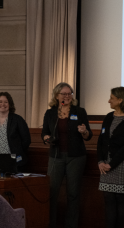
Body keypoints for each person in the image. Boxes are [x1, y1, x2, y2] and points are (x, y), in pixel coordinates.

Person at [41, 82, 93, 228]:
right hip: (56, 156)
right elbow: (44, 132)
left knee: (73, 194)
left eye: (69, 93)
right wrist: (46, 138)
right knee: (52, 192)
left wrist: (84, 131)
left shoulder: (80, 111)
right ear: (57, 96)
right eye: (64, 93)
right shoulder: (50, 113)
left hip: (76, 157)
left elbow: (89, 135)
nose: (67, 96)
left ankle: (71, 225)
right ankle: (50, 224)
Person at [97, 87, 124, 228]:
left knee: (120, 200)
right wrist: (101, 161)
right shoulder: (109, 117)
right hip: (106, 165)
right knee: (108, 200)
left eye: (112, 98)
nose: (109, 101)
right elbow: (101, 140)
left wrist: (111, 164)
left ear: (120, 100)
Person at [0, 92, 31, 172]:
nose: (3, 104)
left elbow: (26, 140)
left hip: (14, 162)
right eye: (0, 101)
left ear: (10, 104)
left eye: (6, 102)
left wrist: (17, 153)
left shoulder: (18, 120)